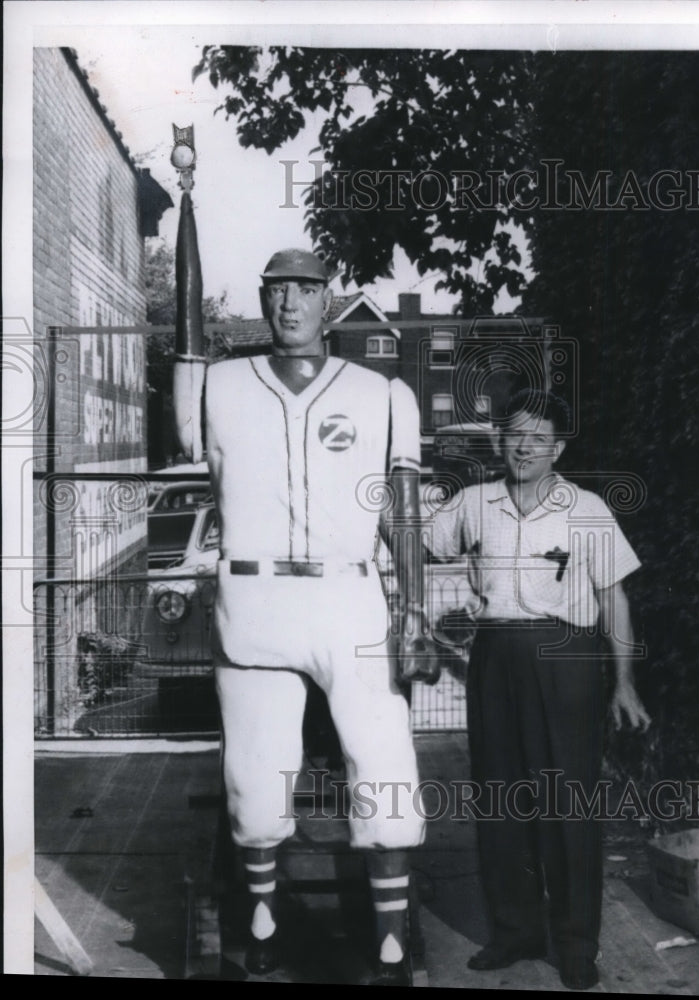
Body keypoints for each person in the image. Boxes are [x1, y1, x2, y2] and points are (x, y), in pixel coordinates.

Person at [196, 248, 438, 985]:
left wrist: (416, 606)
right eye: (277, 291)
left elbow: (402, 511)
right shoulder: (220, 384)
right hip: (257, 594)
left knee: (386, 760)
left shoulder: (381, 392)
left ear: (327, 300)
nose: (290, 304)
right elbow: (212, 475)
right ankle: (263, 918)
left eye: (305, 289)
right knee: (258, 778)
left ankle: (391, 934)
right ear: (264, 300)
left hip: (349, 592)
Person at [426, 388, 651, 991]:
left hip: (567, 658)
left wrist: (623, 683)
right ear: (499, 441)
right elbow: (413, 546)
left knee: (568, 804)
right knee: (501, 799)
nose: (525, 446)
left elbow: (614, 598)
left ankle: (576, 943)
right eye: (514, 435)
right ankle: (515, 931)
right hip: (494, 658)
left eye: (538, 437)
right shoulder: (472, 503)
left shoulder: (588, 509)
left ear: (559, 446)